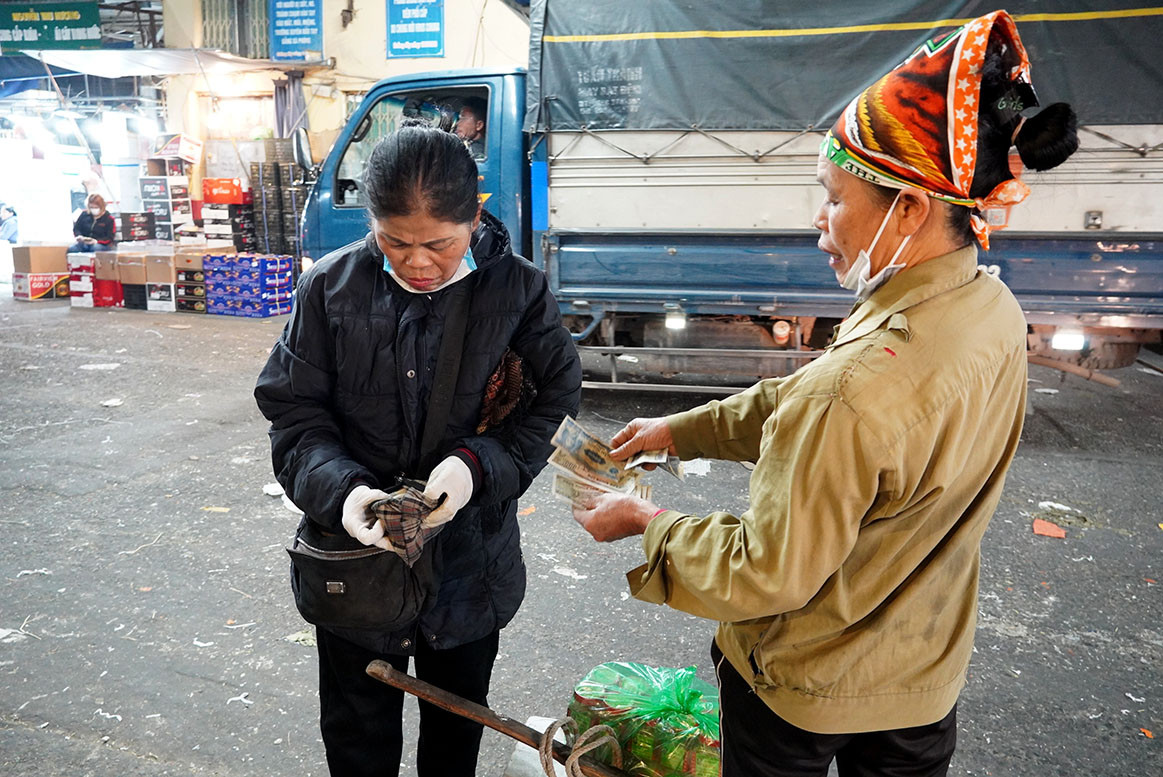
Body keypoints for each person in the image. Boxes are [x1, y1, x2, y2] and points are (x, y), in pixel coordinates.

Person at [572, 11, 1078, 777]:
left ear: (908, 207)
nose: (820, 223)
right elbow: (812, 403)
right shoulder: (990, 310)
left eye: (835, 198)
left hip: (802, 694)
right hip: (920, 683)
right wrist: (683, 429)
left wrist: (647, 522)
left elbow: (763, 571)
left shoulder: (856, 384)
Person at [254, 121, 582, 777]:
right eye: (395, 242)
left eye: (439, 243)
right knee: (357, 742)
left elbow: (557, 395)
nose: (419, 261)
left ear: (475, 217)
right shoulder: (330, 289)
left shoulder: (514, 291)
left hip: (468, 570)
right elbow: (294, 412)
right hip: (352, 569)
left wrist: (471, 469)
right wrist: (347, 497)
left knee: (452, 741)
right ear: (371, 223)